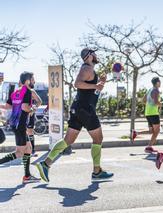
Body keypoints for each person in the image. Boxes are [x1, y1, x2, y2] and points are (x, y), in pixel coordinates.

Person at [36, 48, 113, 182]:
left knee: (68, 141)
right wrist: (95, 86)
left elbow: (91, 92)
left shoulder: (89, 69)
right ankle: (96, 172)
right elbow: (77, 84)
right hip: (85, 110)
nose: (96, 55)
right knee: (98, 138)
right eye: (94, 53)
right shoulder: (87, 69)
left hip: (78, 108)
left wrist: (100, 83)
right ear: (89, 56)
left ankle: (46, 164)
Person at [0, 72, 40, 184]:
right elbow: (25, 107)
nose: (34, 81)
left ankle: (27, 176)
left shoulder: (15, 92)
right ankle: (26, 176)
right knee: (19, 152)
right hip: (20, 126)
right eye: (33, 79)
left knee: (29, 149)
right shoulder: (27, 91)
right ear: (27, 81)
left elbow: (7, 106)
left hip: (15, 124)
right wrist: (33, 109)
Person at [141, 77, 162, 153]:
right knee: (157, 131)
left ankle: (136, 133)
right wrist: (162, 104)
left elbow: (143, 100)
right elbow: (156, 102)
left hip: (147, 112)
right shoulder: (156, 90)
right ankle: (149, 147)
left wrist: (149, 104)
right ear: (157, 83)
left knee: (152, 131)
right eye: (160, 82)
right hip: (153, 113)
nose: (160, 83)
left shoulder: (149, 90)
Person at [26, 77, 42, 157]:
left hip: (29, 115)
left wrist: (33, 109)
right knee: (22, 132)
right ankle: (23, 150)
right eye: (33, 80)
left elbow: (39, 101)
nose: (34, 82)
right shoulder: (19, 90)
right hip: (21, 115)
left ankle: (32, 150)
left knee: (30, 131)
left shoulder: (31, 91)